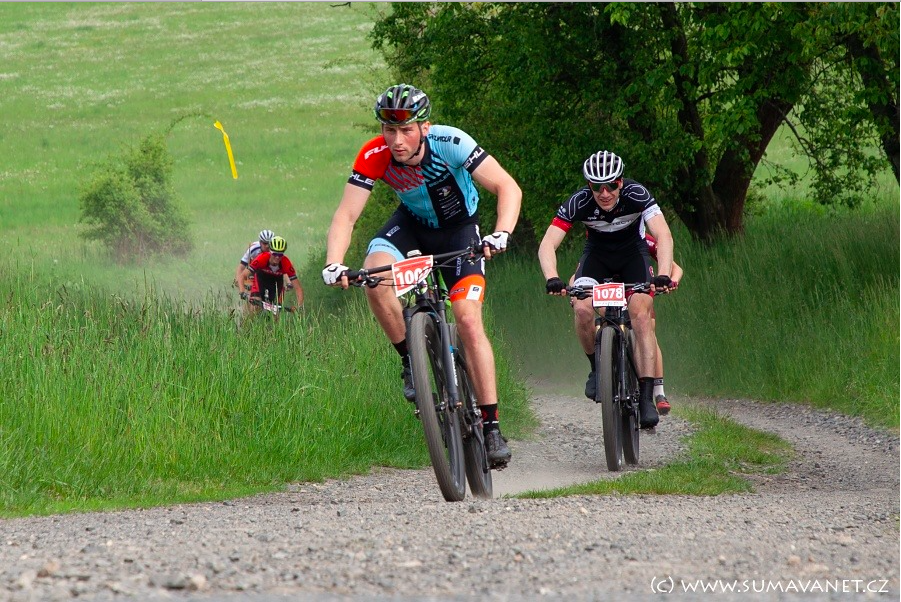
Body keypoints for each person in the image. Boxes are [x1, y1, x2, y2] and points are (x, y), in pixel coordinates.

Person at [321, 83, 522, 467]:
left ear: (424, 127)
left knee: (467, 319)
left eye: (406, 130)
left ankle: (492, 423)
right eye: (389, 129)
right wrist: (334, 261)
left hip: (460, 231)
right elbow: (346, 215)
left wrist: (503, 233)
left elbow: (506, 186)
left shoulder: (451, 142)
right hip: (412, 227)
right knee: (374, 279)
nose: (396, 140)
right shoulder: (374, 153)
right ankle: (410, 361)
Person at [538, 150, 674, 429]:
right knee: (583, 309)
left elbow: (663, 235)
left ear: (621, 182)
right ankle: (595, 369)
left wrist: (662, 274)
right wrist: (552, 277)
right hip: (597, 259)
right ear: (588, 186)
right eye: (596, 186)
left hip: (633, 257)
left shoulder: (637, 194)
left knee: (640, 314)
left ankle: (647, 397)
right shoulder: (579, 202)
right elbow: (547, 244)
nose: (604, 193)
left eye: (611, 185)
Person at [643, 232, 684, 416]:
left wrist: (672, 281)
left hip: (639, 291)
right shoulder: (599, 234)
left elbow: (676, 268)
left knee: (649, 332)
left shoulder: (644, 239)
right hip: (611, 295)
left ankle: (659, 392)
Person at [240, 235, 304, 311]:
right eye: (275, 254)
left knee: (276, 314)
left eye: (280, 255)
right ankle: (249, 322)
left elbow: (298, 288)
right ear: (270, 252)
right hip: (261, 280)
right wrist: (242, 291)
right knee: (254, 308)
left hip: (276, 283)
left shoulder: (286, 263)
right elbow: (243, 276)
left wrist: (299, 306)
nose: (277, 257)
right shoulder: (261, 258)